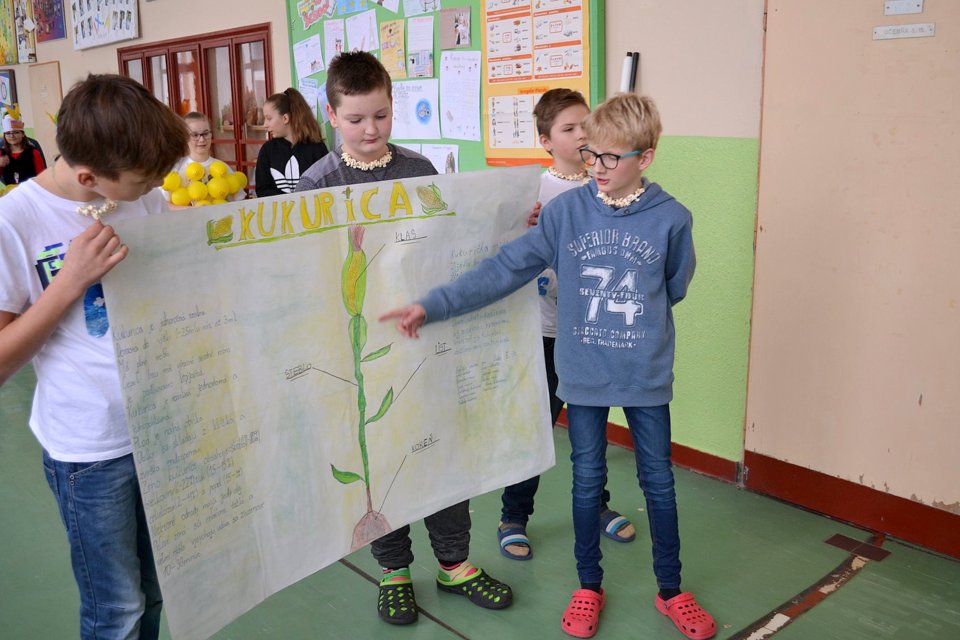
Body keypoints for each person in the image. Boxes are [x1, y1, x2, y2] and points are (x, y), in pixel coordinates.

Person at [380, 93, 716, 640]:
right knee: (586, 482)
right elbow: (504, 269)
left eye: (611, 157)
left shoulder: (672, 219)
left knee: (658, 483)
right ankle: (588, 585)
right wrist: (434, 304)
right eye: (591, 154)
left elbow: (673, 286)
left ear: (646, 157)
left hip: (644, 374)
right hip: (582, 372)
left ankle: (671, 589)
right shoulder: (565, 214)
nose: (598, 167)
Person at [295, 51, 513, 626]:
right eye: (356, 119)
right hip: (358, 349)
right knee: (377, 455)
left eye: (381, 116)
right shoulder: (317, 185)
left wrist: (515, 219)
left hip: (420, 338)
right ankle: (393, 568)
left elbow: (451, 239)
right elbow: (304, 273)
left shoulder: (419, 169)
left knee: (439, 448)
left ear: (393, 107)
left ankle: (454, 562)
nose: (371, 130)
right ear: (331, 115)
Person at [0, 74, 188, 640]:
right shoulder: (17, 221)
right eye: (144, 180)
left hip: (159, 429)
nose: (156, 187)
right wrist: (69, 282)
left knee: (155, 590)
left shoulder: (145, 200)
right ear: (88, 177)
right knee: (116, 610)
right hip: (90, 450)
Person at [498, 88, 636, 563]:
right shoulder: (533, 191)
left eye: (586, 126)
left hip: (590, 331)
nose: (581, 136)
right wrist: (524, 224)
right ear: (546, 140)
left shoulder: (607, 185)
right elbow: (505, 250)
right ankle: (514, 516)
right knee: (535, 428)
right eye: (569, 128)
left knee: (590, 428)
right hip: (543, 330)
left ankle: (596, 505)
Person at [255, 88, 328, 197]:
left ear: (285, 118)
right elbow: (262, 190)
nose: (265, 125)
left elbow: (326, 187)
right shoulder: (267, 150)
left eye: (269, 119)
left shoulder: (318, 149)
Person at [164, 112, 246, 204]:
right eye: (195, 135)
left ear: (211, 134)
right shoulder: (176, 169)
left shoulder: (223, 168)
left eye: (205, 133)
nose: (202, 139)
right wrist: (198, 210)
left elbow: (240, 203)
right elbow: (164, 205)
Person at [1, 108, 47, 185]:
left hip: (30, 191)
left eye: (15, 132)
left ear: (22, 134)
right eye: (8, 133)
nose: (12, 136)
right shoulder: (2, 153)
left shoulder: (33, 152)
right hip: (11, 191)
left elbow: (41, 176)